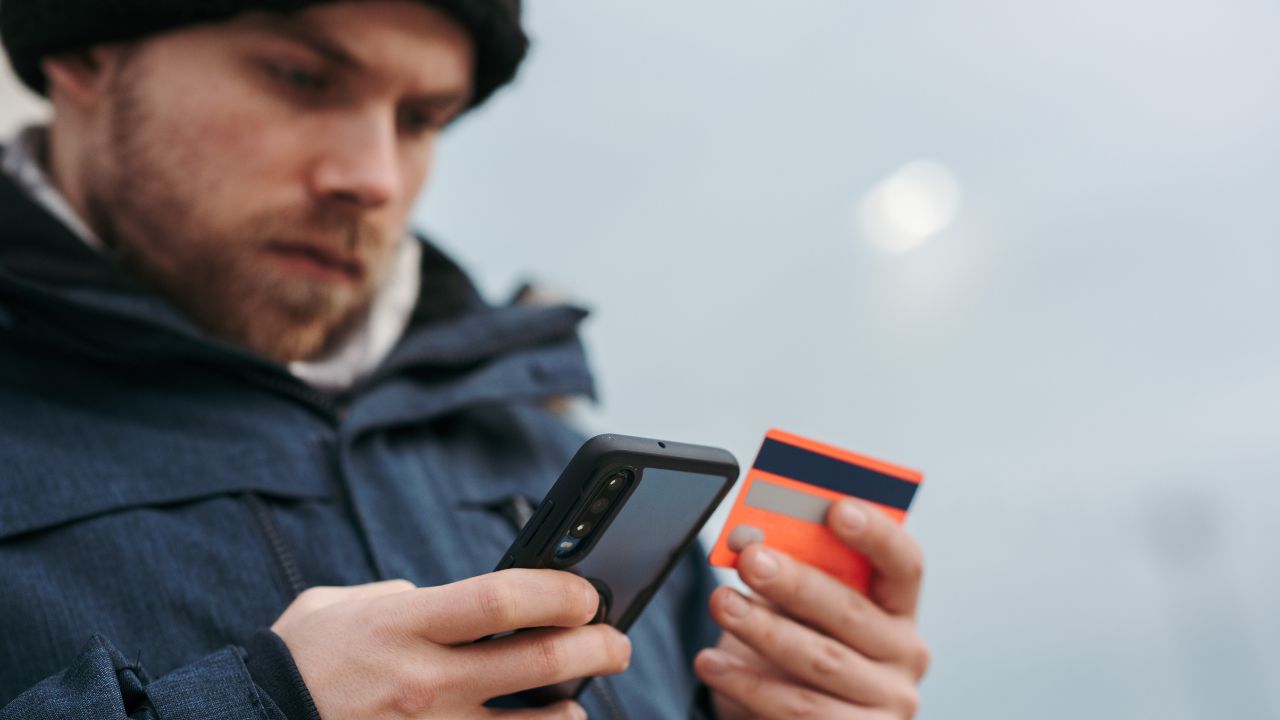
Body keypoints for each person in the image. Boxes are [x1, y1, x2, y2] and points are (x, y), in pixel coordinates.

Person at [0, 1, 930, 718]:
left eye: (421, 118)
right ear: (87, 50)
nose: (372, 177)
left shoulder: (535, 442)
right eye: (301, 79)